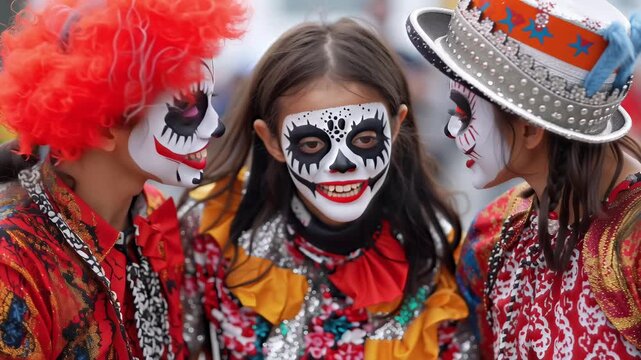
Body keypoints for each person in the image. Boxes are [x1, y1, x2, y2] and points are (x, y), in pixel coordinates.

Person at [180, 18, 472, 359]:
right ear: (272, 140)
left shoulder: (431, 247)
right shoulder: (214, 228)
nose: (342, 163)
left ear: (395, 126)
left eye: (364, 139)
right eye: (313, 145)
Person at [0, 0, 245, 358]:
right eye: (188, 107)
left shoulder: (155, 215)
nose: (216, 126)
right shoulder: (14, 262)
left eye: (211, 100)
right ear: (103, 125)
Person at [408, 0, 641, 357]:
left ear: (531, 130)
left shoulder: (633, 247)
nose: (451, 130)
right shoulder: (493, 235)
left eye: (464, 113)